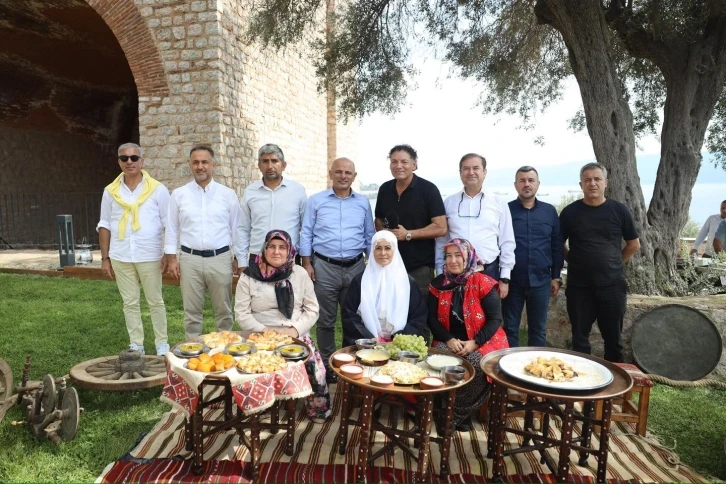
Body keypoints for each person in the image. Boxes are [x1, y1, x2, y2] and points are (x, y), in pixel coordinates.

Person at [235, 230, 331, 421]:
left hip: (295, 333)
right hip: (259, 335)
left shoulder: (300, 274)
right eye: (271, 246)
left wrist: (294, 331)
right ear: (264, 249)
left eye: (282, 247)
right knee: (253, 367)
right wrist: (265, 332)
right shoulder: (249, 276)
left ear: (290, 251)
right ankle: (261, 405)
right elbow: (241, 313)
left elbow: (312, 309)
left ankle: (317, 408)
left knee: (314, 369)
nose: (276, 252)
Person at [299, 157, 375, 382]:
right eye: (339, 172)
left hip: (356, 267)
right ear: (331, 174)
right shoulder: (316, 201)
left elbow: (369, 235)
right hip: (324, 267)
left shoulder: (363, 202)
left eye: (348, 173)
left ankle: (350, 364)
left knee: (354, 319)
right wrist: (306, 263)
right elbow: (306, 232)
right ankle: (328, 366)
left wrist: (373, 267)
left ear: (354, 176)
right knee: (325, 320)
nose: (343, 176)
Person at [560, 162, 640, 362]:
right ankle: (580, 379)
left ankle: (615, 382)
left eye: (597, 179)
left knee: (614, 342)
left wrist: (615, 262)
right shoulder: (569, 213)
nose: (592, 183)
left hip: (612, 286)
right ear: (581, 185)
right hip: (579, 287)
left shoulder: (620, 210)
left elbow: (633, 244)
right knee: (580, 341)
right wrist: (573, 260)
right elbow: (558, 245)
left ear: (606, 183)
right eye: (587, 180)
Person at [428, 238, 509, 432]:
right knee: (437, 360)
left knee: (476, 365)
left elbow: (495, 319)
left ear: (468, 257)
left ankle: (456, 414)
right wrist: (449, 339)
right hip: (449, 340)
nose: (452, 260)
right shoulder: (438, 284)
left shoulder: (483, 283)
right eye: (448, 256)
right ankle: (446, 409)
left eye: (458, 255)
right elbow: (431, 318)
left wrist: (475, 343)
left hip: (483, 341)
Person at [97, 142, 171, 356]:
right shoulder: (110, 191)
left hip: (149, 254)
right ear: (119, 162)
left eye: (134, 158)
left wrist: (168, 254)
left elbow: (168, 223)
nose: (129, 162)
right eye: (124, 158)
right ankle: (136, 344)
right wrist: (105, 258)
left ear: (142, 161)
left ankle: (162, 343)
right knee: (129, 302)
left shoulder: (157, 189)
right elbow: (104, 224)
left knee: (155, 301)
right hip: (121, 254)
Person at [165, 145, 243, 338]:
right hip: (190, 260)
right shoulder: (179, 195)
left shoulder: (227, 195)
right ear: (190, 165)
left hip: (220, 259)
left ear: (213, 165)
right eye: (196, 162)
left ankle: (226, 349)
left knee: (224, 312)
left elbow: (237, 229)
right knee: (191, 313)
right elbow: (172, 228)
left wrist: (240, 259)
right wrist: (171, 258)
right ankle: (192, 350)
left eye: (205, 162)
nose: (200, 166)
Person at [436, 153, 515, 299]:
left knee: (489, 313)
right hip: (454, 274)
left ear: (484, 172)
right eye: (466, 168)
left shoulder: (498, 202)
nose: (471, 172)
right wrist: (440, 272)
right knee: (455, 313)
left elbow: (507, 241)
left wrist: (505, 277)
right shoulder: (449, 202)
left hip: (489, 271)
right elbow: (442, 241)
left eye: (476, 168)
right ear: (460, 173)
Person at [374, 144, 447, 298]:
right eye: (394, 161)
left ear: (414, 164)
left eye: (404, 162)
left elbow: (441, 227)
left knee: (418, 308)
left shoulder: (428, 189)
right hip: (388, 263)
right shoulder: (384, 189)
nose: (398, 166)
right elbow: (378, 220)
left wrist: (408, 234)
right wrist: (386, 235)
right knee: (388, 307)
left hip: (419, 267)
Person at [502, 166, 564, 347]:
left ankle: (537, 364)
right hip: (513, 280)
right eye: (522, 180)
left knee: (538, 330)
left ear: (538, 184)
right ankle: (509, 363)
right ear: (516, 185)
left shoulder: (549, 211)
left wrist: (556, 276)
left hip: (541, 280)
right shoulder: (506, 210)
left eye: (531, 180)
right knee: (510, 328)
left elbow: (556, 245)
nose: (526, 184)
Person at [341, 231, 428, 346]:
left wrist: (399, 339)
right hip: (367, 343)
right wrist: (369, 338)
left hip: (399, 344)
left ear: (395, 250)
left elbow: (418, 316)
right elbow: (349, 315)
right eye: (378, 248)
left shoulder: (407, 283)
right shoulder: (360, 281)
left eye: (387, 248)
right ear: (372, 250)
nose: (383, 253)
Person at [238, 144, 307, 269]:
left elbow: (306, 229)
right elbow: (243, 229)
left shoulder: (297, 191)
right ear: (259, 166)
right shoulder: (250, 192)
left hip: (289, 260)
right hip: (258, 260)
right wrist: (241, 262)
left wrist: (306, 261)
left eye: (274, 161)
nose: (270, 166)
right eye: (265, 161)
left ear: (283, 165)